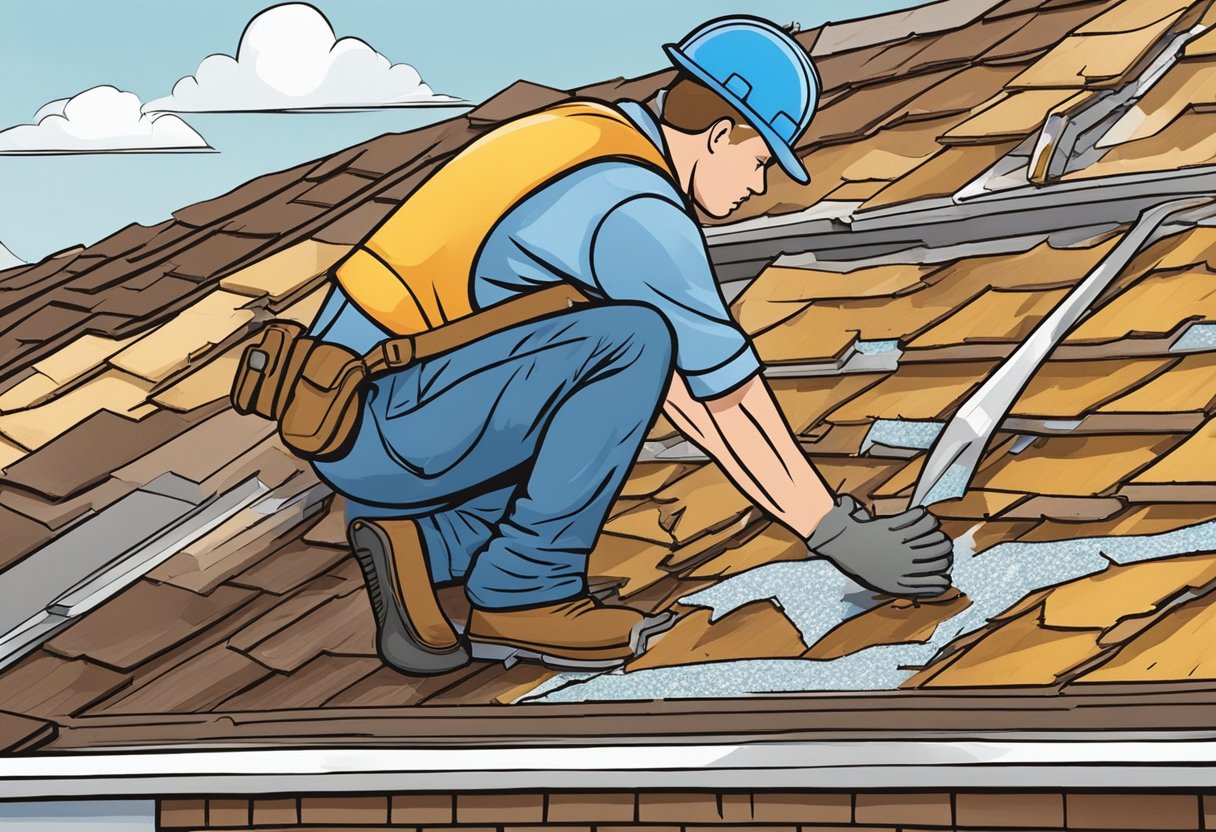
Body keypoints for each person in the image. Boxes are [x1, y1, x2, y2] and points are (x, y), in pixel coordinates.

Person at [304, 16, 954, 675]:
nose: (757, 186)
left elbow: (680, 393)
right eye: (759, 160)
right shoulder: (634, 206)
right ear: (721, 131)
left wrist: (825, 520)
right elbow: (728, 398)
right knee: (634, 341)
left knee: (621, 367)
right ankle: (524, 595)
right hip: (389, 421)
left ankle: (422, 543)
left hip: (366, 412)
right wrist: (836, 534)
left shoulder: (594, 138)